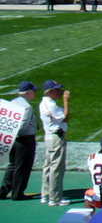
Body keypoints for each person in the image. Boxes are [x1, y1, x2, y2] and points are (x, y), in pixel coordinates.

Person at [0, 81, 37, 201]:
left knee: (12, 165)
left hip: (11, 139)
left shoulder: (13, 103)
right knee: (23, 167)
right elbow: (22, 126)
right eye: (33, 91)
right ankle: (18, 193)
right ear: (28, 92)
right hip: (24, 140)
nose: (35, 93)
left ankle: (4, 190)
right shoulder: (27, 107)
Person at [39, 79, 70, 207]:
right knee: (56, 168)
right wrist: (66, 101)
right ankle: (55, 198)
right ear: (50, 91)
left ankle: (45, 195)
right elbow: (65, 116)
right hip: (56, 137)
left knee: (48, 167)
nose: (60, 92)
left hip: (49, 137)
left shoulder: (44, 102)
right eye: (57, 90)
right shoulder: (51, 104)